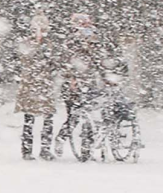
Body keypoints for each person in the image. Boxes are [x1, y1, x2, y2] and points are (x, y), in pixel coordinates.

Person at [55, 13, 128, 153]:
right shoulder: (69, 44)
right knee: (74, 116)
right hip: (73, 87)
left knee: (93, 115)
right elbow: (64, 64)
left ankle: (87, 146)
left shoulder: (94, 46)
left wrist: (108, 79)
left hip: (89, 85)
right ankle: (62, 138)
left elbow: (99, 64)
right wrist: (71, 78)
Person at [14, 12, 60, 160]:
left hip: (45, 86)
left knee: (48, 119)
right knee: (29, 119)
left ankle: (45, 149)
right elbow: (25, 59)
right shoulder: (26, 43)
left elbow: (55, 62)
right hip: (30, 85)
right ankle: (27, 150)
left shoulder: (51, 44)